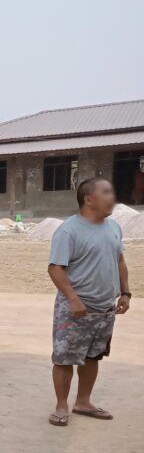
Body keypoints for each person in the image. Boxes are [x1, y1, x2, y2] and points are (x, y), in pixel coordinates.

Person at [47, 177, 132, 426]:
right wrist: (73, 299)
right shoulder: (69, 230)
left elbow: (120, 261)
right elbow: (55, 268)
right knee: (64, 358)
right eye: (106, 192)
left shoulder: (114, 227)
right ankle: (61, 405)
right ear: (89, 199)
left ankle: (83, 402)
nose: (112, 198)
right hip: (76, 307)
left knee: (93, 356)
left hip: (105, 307)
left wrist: (125, 293)